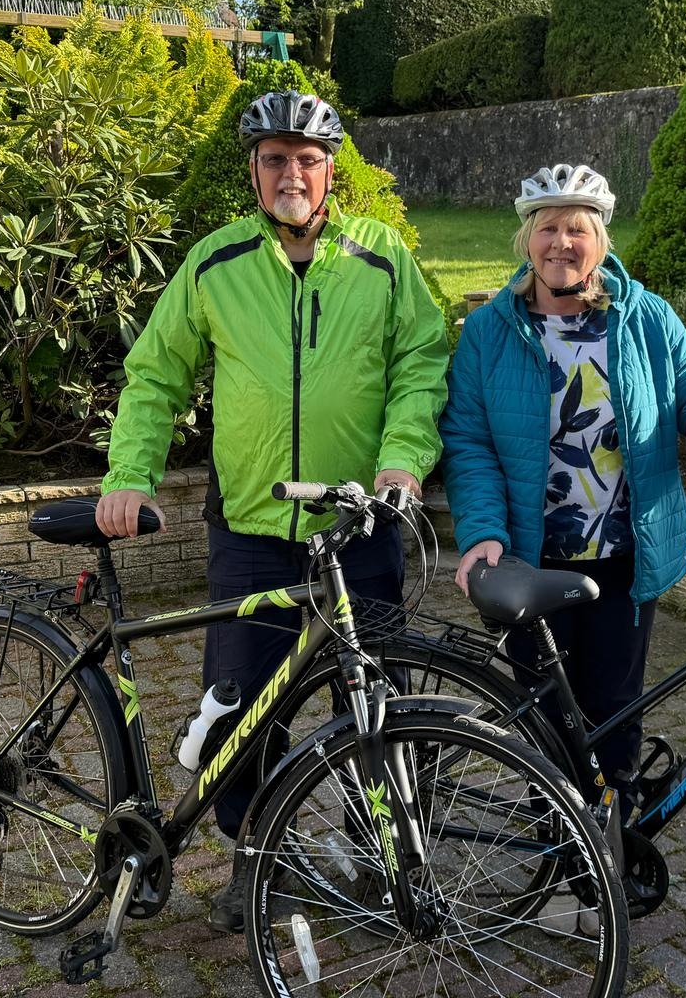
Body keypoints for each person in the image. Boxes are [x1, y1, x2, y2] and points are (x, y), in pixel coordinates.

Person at [96, 90, 449, 933]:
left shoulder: (382, 257)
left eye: (307, 160)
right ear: (254, 172)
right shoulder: (215, 263)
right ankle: (256, 861)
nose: (292, 173)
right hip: (252, 527)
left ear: (331, 172)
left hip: (358, 527)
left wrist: (402, 459)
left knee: (377, 705)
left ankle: (383, 859)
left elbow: (421, 362)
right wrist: (132, 474)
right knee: (242, 709)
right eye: (275, 160)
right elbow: (156, 374)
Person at [439, 163, 686, 811]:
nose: (561, 243)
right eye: (547, 228)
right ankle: (561, 843)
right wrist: (482, 531)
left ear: (600, 240)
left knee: (617, 714)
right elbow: (470, 441)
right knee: (548, 731)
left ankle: (614, 840)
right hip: (530, 563)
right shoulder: (490, 331)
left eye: (577, 229)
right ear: (526, 239)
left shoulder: (646, 318)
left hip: (622, 561)